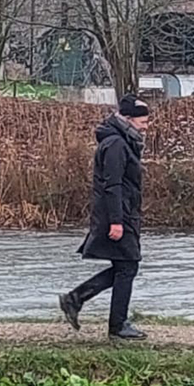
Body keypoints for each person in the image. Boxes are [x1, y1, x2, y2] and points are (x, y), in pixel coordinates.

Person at [59, 94, 150, 340]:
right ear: (129, 120)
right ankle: (117, 325)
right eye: (143, 122)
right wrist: (117, 221)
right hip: (118, 214)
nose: (146, 126)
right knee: (128, 265)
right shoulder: (116, 145)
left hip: (124, 212)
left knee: (125, 266)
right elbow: (113, 185)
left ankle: (75, 299)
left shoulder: (121, 141)